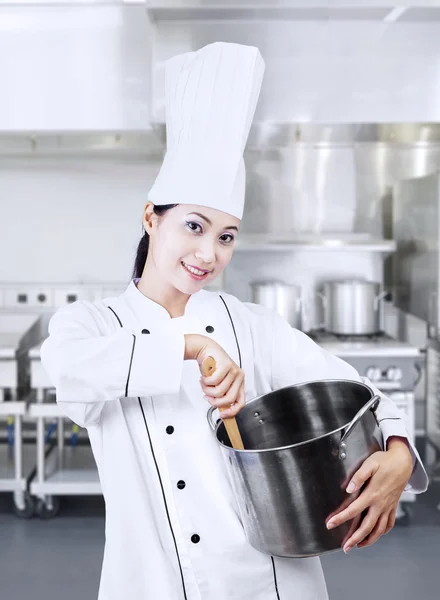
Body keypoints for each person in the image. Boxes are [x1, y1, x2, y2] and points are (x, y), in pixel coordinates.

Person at [41, 42, 428, 600]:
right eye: (194, 227)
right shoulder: (92, 326)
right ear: (152, 217)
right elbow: (70, 373)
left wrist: (395, 452)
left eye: (225, 237)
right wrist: (189, 345)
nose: (209, 254)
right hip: (153, 586)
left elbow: (363, 393)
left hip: (271, 585)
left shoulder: (249, 325)